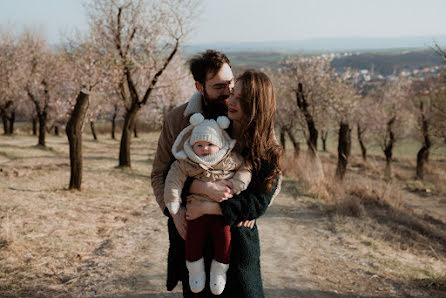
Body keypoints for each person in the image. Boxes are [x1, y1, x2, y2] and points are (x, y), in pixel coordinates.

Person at [151, 50, 281, 297]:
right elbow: (161, 174)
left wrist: (248, 208)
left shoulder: (249, 116)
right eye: (220, 86)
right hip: (192, 229)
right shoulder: (178, 120)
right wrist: (175, 210)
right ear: (200, 86)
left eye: (231, 83)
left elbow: (271, 176)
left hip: (236, 232)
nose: (229, 92)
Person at [185, 70, 282, 297]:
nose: (231, 101)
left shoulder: (267, 152)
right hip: (202, 247)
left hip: (239, 248)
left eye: (241, 98)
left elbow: (257, 203)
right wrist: (203, 188)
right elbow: (180, 170)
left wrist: (207, 207)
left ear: (256, 106)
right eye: (233, 94)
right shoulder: (213, 131)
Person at [163, 113, 251, 295]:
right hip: (195, 211)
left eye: (210, 144)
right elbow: (173, 179)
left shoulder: (229, 159)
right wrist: (173, 201)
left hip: (223, 213)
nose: (204, 149)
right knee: (193, 239)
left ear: (219, 144)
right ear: (192, 146)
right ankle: (195, 271)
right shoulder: (186, 162)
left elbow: (246, 168)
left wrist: (237, 184)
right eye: (199, 145)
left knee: (224, 239)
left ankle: (219, 270)